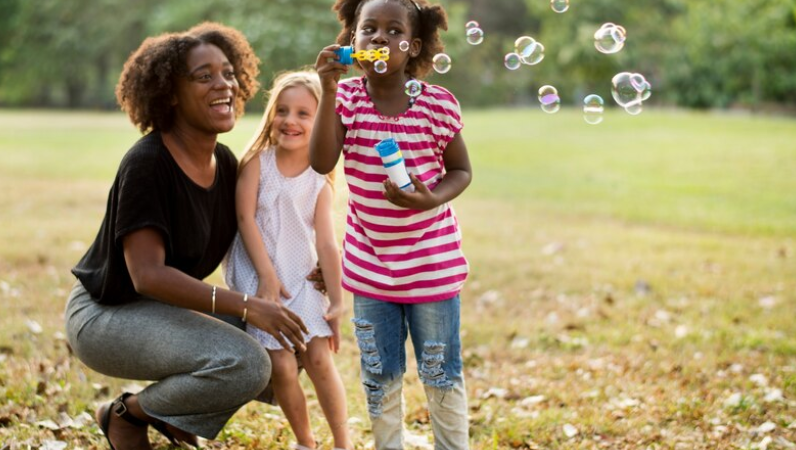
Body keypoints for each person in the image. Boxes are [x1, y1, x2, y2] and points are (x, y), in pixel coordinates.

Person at [64, 22, 310, 450]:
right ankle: (127, 414)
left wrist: (316, 269)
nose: (223, 84)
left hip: (164, 311)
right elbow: (147, 276)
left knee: (284, 340)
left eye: (229, 73)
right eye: (204, 76)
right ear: (171, 93)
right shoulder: (148, 163)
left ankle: (176, 415)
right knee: (248, 363)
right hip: (105, 314)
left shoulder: (227, 165)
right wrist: (248, 307)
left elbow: (268, 229)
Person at [311, 0, 473, 448]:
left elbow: (461, 170)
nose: (380, 37)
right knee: (379, 374)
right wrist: (327, 90)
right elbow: (321, 161)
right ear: (353, 41)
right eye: (369, 29)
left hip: (432, 268)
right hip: (371, 272)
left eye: (394, 30)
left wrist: (431, 198)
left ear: (414, 46)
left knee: (440, 373)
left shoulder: (437, 104)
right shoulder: (346, 100)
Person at [223, 70, 353, 450]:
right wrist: (266, 275)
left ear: (321, 122)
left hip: (301, 273)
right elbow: (245, 219)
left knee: (320, 360)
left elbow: (326, 243)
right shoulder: (257, 163)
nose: (289, 120)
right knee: (280, 364)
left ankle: (343, 442)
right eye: (282, 110)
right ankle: (305, 441)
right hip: (258, 272)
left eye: (302, 113)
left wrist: (336, 301)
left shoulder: (319, 179)